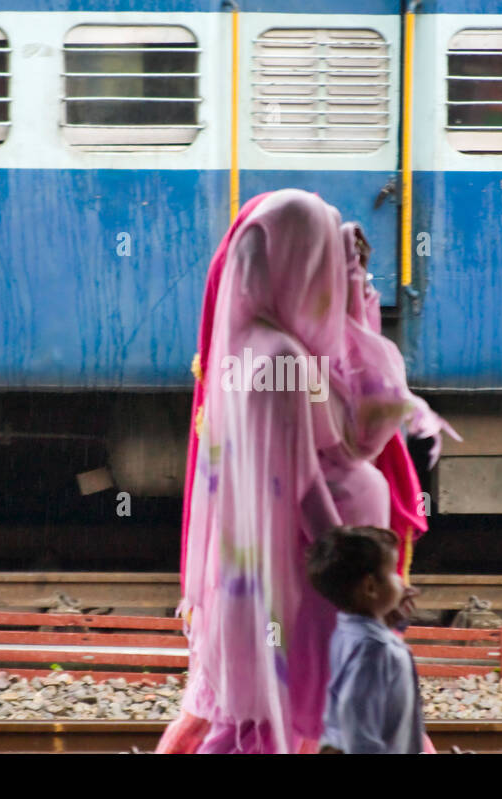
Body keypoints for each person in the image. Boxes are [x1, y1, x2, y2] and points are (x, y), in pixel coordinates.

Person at [157, 189, 453, 754]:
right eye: (318, 258)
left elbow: (337, 355)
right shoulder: (283, 361)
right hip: (310, 579)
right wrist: (366, 574)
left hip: (276, 575)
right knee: (304, 721)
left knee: (238, 719)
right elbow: (304, 488)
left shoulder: (250, 345)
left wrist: (350, 265)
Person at [307, 526, 425, 754]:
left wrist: (388, 617)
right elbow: (358, 725)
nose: (401, 581)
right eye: (393, 573)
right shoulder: (375, 651)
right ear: (370, 587)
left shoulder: (347, 631)